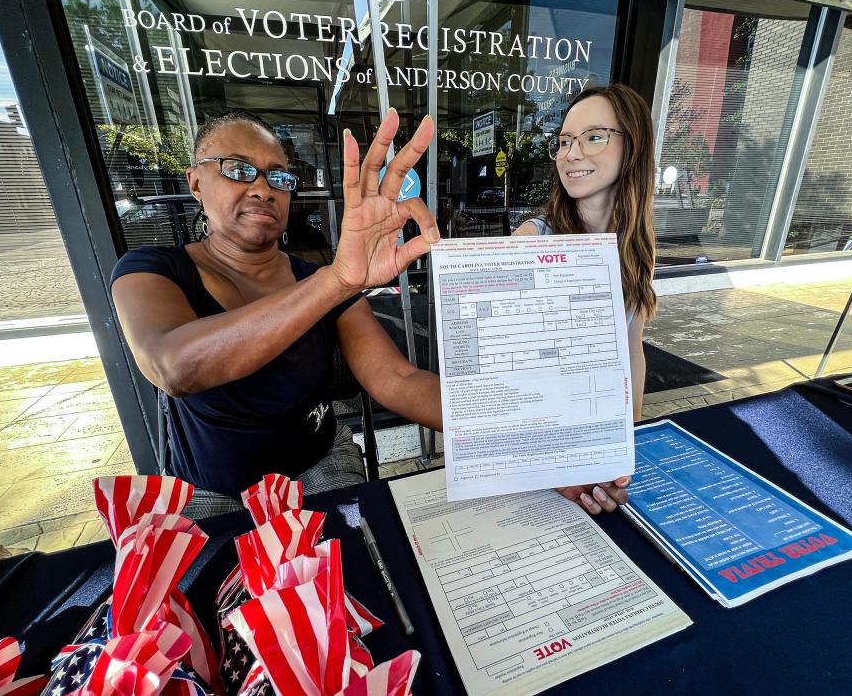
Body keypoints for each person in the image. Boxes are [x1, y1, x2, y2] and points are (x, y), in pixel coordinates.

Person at [110, 108, 441, 507]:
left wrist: (510, 417)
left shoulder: (320, 281)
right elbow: (174, 366)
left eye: (278, 177)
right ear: (196, 182)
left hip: (318, 466)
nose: (263, 189)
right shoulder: (152, 269)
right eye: (238, 169)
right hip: (211, 489)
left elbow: (397, 378)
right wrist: (336, 281)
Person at [514, 83, 658, 515]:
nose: (570, 153)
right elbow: (513, 376)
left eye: (593, 136)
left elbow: (632, 354)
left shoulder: (637, 245)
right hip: (537, 455)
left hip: (596, 452)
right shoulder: (531, 240)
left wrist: (622, 446)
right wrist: (555, 458)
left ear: (631, 147)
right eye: (564, 141)